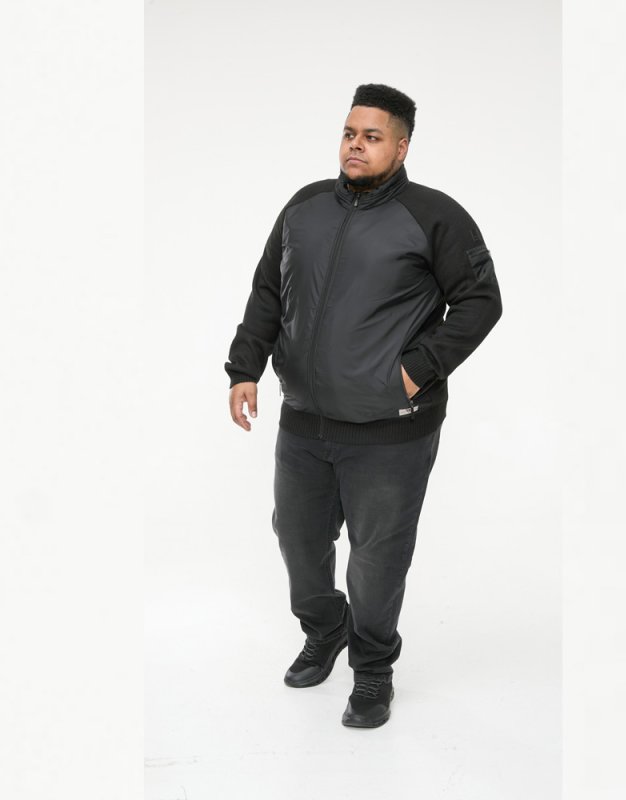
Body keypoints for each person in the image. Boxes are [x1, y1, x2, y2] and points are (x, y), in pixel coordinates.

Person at [225, 83, 502, 728]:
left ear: (401, 147)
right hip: (305, 421)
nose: (355, 145)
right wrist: (245, 368)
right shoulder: (305, 206)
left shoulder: (435, 216)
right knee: (297, 539)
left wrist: (415, 371)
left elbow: (481, 302)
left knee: (377, 559)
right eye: (350, 133)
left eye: (372, 136)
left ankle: (373, 669)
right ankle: (326, 631)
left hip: (390, 430)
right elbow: (268, 290)